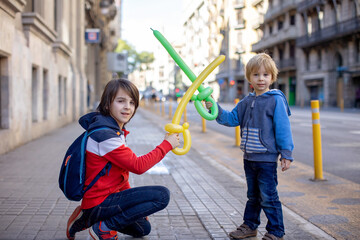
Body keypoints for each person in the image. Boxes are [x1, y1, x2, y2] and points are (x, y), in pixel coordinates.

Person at [66, 78, 180, 240]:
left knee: (143, 228)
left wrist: (135, 206)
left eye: (132, 103)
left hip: (106, 199)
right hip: (100, 201)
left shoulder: (114, 130)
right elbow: (137, 166)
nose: (128, 107)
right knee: (162, 195)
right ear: (107, 105)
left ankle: (83, 218)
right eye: (121, 101)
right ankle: (103, 228)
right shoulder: (105, 136)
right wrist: (166, 145)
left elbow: (122, 173)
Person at [206, 53, 294, 240]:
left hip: (267, 160)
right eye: (256, 75)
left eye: (265, 75)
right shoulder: (246, 101)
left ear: (272, 77)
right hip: (249, 158)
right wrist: (214, 106)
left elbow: (283, 129)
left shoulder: (275, 99)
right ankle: (250, 226)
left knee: (268, 197)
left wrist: (286, 154)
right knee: (253, 196)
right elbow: (230, 119)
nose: (261, 79)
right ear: (249, 78)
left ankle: (276, 231)